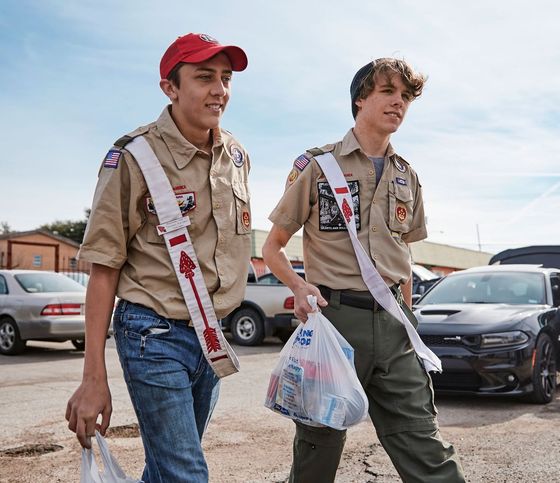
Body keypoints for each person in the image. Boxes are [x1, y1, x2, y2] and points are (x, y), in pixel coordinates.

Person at [262, 58, 465, 482]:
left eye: (406, 97)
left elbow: (404, 260)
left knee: (423, 443)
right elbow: (273, 247)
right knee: (318, 448)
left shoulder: (407, 176)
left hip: (394, 326)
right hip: (336, 324)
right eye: (388, 92)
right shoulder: (317, 167)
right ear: (360, 99)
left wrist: (407, 318)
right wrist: (299, 287)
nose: (399, 103)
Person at [65, 33, 251, 482]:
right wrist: (94, 377)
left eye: (225, 79)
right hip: (152, 333)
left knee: (168, 468)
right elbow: (103, 268)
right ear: (170, 87)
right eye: (204, 77)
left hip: (211, 335)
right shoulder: (132, 157)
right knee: (185, 473)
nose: (219, 90)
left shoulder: (237, 155)